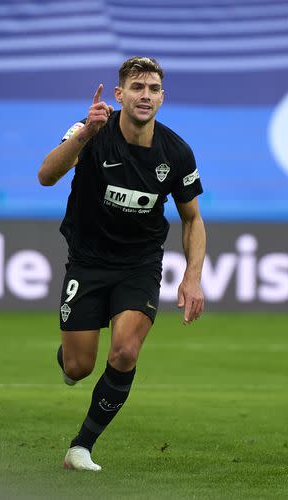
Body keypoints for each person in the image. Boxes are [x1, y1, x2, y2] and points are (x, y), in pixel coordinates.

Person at [37, 57, 206, 471]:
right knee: (78, 367)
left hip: (139, 264)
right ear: (120, 95)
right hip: (88, 260)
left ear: (162, 97)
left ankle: (81, 447)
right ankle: (69, 357)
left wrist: (192, 278)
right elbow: (46, 175)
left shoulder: (176, 152)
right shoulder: (92, 129)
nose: (145, 95)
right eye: (136, 87)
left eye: (152, 89)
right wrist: (84, 135)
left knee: (126, 351)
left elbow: (192, 219)